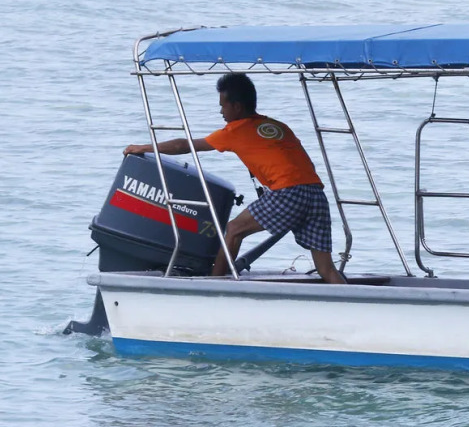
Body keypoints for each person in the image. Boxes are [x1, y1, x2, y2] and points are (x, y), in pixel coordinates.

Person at [123, 72, 346, 284]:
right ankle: (356, 301)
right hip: (316, 194)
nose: (221, 111)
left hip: (289, 192)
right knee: (326, 268)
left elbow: (184, 145)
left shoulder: (235, 131)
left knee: (233, 230)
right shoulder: (277, 126)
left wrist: (142, 147)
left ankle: (213, 285)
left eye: (223, 105)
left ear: (237, 107)